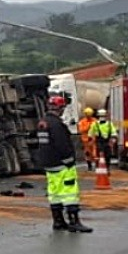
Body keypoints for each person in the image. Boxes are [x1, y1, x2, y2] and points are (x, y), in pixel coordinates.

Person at [39, 94, 92, 232]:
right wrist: (69, 161)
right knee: (70, 193)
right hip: (62, 165)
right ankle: (74, 221)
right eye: (62, 108)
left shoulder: (43, 123)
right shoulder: (57, 125)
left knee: (54, 193)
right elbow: (62, 145)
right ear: (59, 108)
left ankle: (58, 221)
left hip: (50, 165)